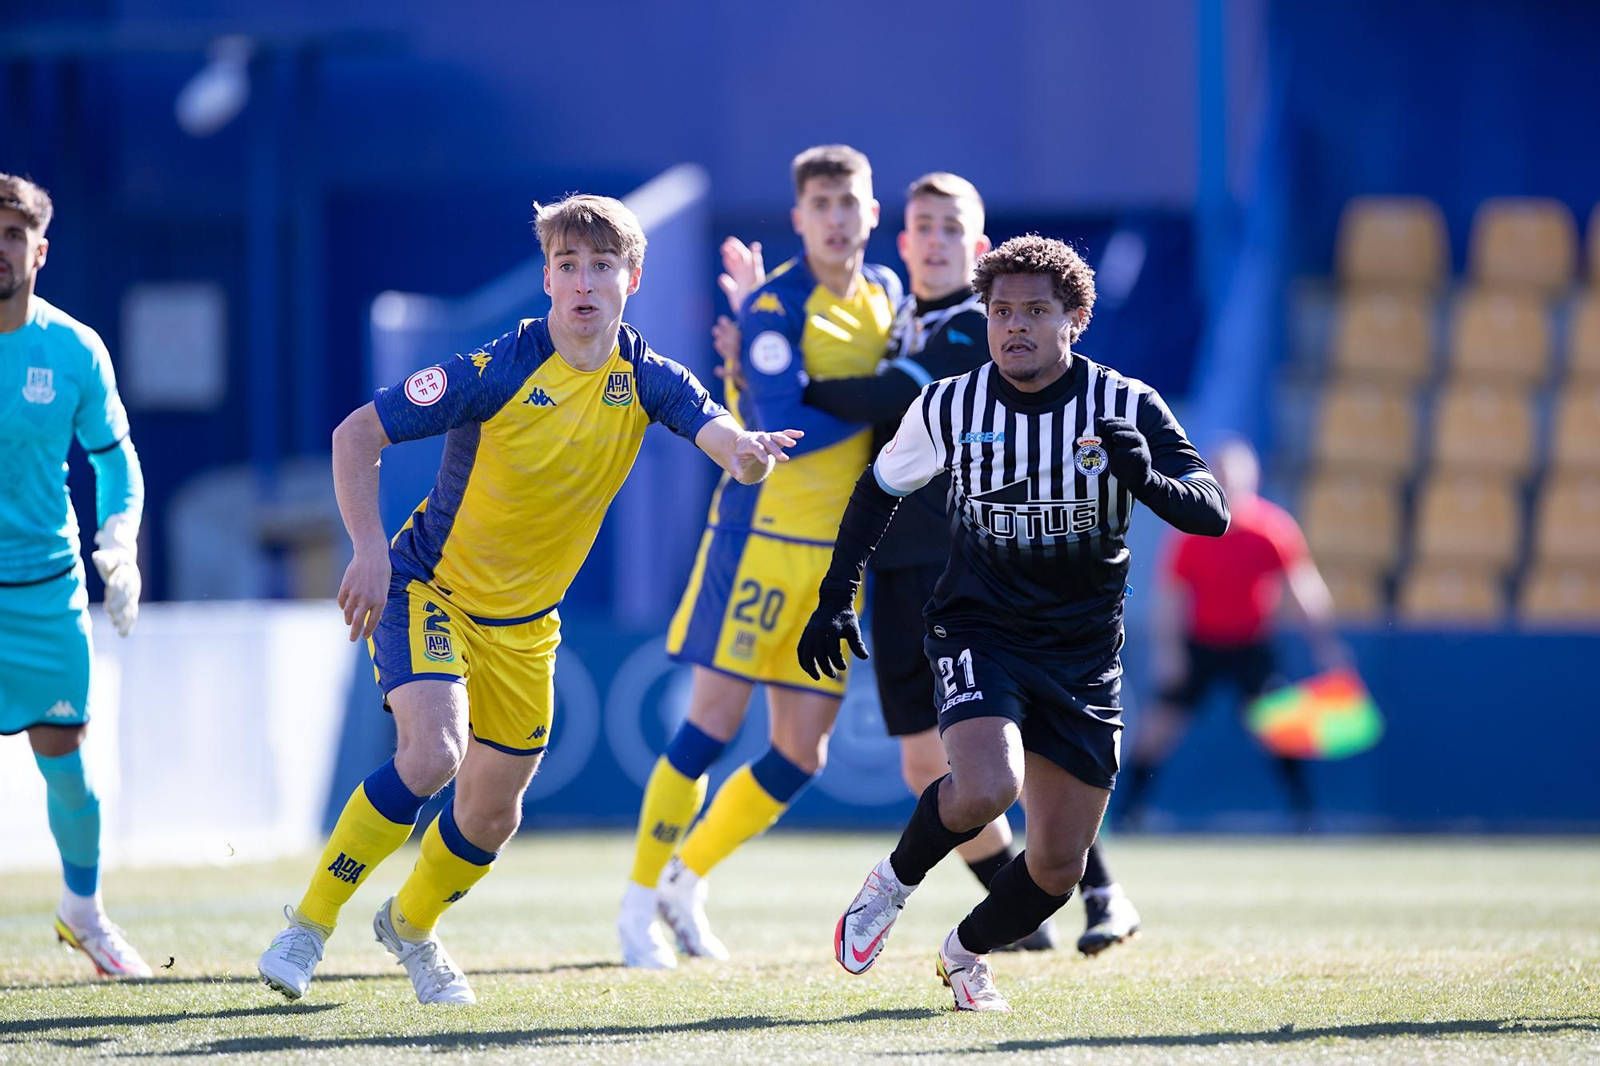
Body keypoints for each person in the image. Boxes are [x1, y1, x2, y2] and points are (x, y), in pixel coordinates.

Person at [256, 194, 799, 1004]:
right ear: (547, 279)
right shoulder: (497, 368)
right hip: (430, 590)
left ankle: (409, 928)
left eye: (603, 266)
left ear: (632, 279)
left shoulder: (649, 378)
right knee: (433, 754)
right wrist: (368, 549)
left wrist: (748, 453)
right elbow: (354, 436)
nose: (585, 282)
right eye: (569, 266)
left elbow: (721, 436)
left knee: (492, 815)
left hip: (525, 627)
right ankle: (308, 923)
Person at [713, 174, 1140, 957]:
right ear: (902, 242)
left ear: (977, 248)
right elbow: (826, 388)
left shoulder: (974, 326)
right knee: (926, 761)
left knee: (1029, 747)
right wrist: (753, 342)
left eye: (952, 227)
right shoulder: (894, 315)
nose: (936, 239)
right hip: (897, 564)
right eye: (923, 226)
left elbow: (877, 395)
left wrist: (784, 373)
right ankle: (1026, 913)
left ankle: (1090, 891)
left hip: (967, 565)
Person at [801, 235, 1229, 1011]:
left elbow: (1213, 513)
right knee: (988, 786)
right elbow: (877, 487)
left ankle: (963, 955)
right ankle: (890, 885)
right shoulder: (949, 403)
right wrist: (836, 594)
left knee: (1060, 868)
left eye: (1035, 310)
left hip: (1084, 654)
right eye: (1001, 312)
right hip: (979, 626)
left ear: (1077, 318)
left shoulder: (1127, 405)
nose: (1015, 327)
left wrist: (1146, 477)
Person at [618, 145, 900, 969]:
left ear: (871, 214)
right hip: (759, 543)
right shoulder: (776, 302)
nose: (838, 218)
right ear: (799, 219)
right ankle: (636, 908)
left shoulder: (886, 295)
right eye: (822, 205)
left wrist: (901, 393)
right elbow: (780, 418)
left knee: (801, 753)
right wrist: (903, 396)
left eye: (850, 203)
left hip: (836, 564)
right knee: (711, 724)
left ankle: (684, 878)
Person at [0, 174, 151, 978]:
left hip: (45, 594)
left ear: (40, 250)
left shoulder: (73, 347)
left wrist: (119, 542)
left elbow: (113, 456)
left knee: (70, 769)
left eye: (12, 234)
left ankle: (82, 911)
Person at [1119, 436, 1345, 828]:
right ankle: (1128, 814)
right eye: (1220, 475)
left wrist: (1327, 646)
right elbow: (1171, 599)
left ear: (1252, 479)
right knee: (1160, 728)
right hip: (1201, 645)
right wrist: (1169, 654)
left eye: (1235, 475)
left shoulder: (1272, 529)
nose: (1229, 483)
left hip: (1251, 645)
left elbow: (1302, 588)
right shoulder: (1193, 532)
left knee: (1279, 728)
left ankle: (1306, 816)